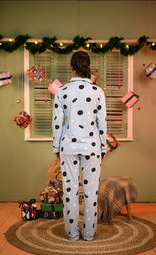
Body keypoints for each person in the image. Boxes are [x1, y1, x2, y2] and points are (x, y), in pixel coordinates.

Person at [52, 51, 107, 241]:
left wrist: (56, 147)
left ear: (71, 67)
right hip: (92, 146)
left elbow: (57, 122)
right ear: (88, 66)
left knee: (70, 191)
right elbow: (102, 122)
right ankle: (89, 234)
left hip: (69, 146)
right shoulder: (97, 92)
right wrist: (103, 148)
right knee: (91, 192)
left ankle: (73, 234)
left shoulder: (62, 91)